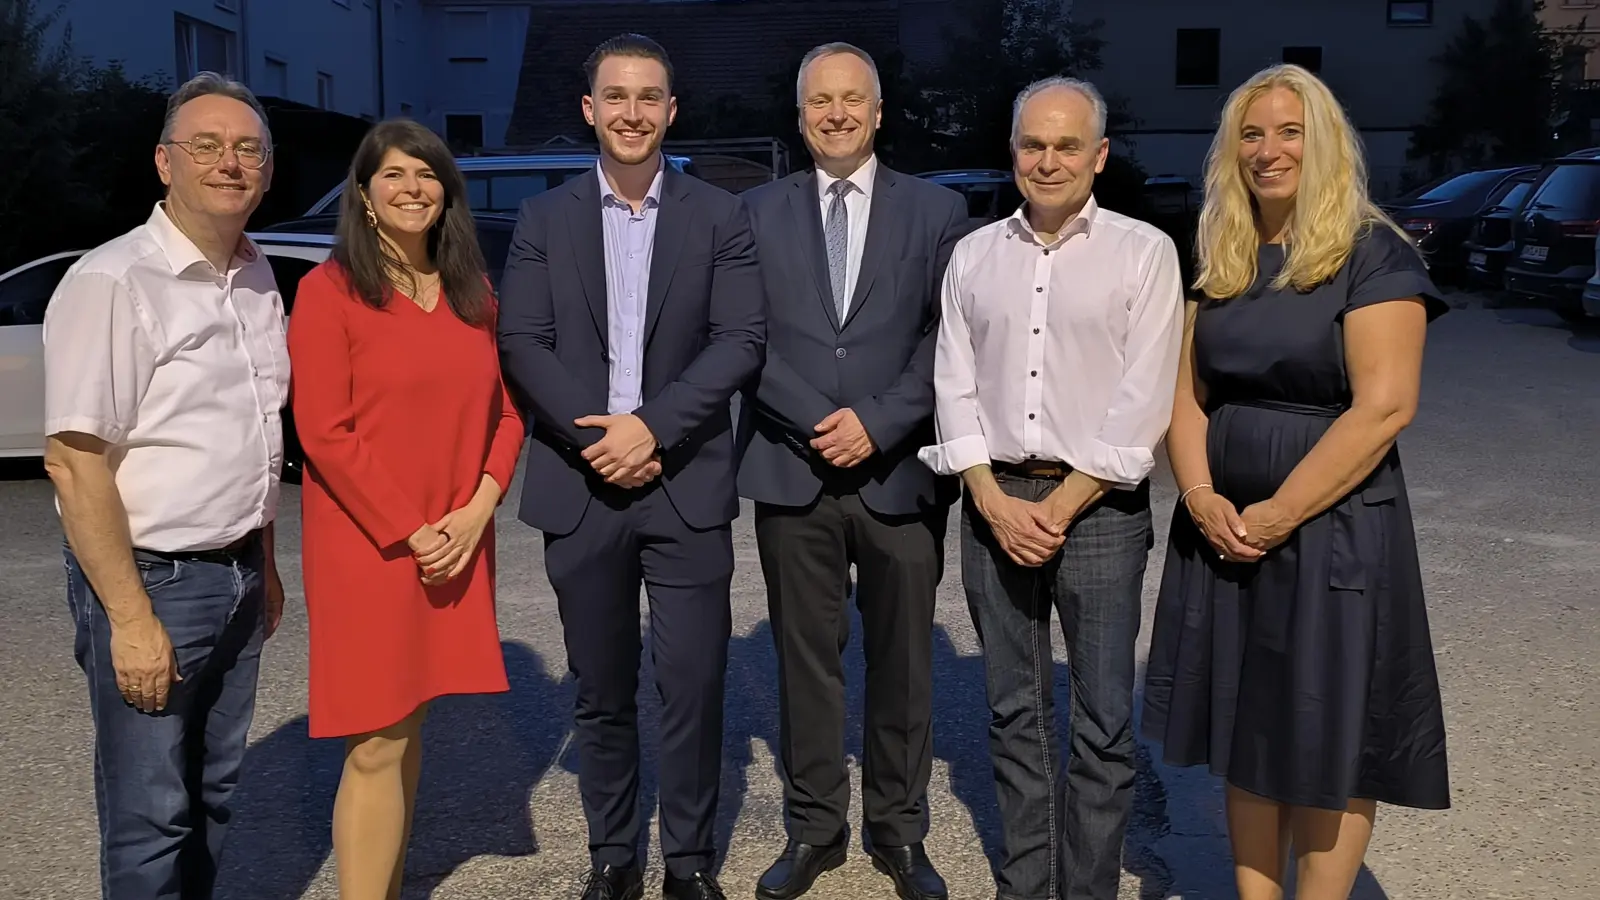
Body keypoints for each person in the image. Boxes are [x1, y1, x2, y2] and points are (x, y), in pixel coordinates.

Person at [1140, 63, 1451, 900]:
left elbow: (1385, 407)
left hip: (1334, 526)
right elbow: (1186, 396)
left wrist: (1279, 510)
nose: (1268, 150)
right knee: (1248, 721)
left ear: (1325, 145)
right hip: (1223, 529)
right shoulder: (1223, 254)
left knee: (1331, 731)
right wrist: (1201, 495)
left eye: (1289, 131)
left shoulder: (1371, 251)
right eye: (1251, 133)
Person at [496, 33, 765, 900]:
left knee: (693, 685)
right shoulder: (543, 219)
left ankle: (688, 862)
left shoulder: (721, 215)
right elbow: (524, 344)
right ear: (589, 109)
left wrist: (648, 431)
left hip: (684, 485)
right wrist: (598, 441)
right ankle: (613, 855)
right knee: (602, 690)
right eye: (616, 96)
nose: (633, 113)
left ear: (672, 109)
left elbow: (738, 342)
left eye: (650, 97)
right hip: (582, 491)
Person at [918, 76, 1184, 900]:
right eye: (1033, 143)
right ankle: (1026, 886)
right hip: (992, 500)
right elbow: (951, 383)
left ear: (1099, 156)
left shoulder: (1145, 253)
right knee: (1014, 714)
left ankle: (1089, 888)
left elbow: (1142, 401)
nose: (1048, 159)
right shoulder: (974, 254)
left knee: (1103, 725)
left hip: (1100, 514)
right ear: (1013, 151)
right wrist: (992, 500)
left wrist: (1058, 506)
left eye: (1068, 144)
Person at [40, 72, 288, 900]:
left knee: (214, 794)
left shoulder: (255, 278)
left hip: (240, 572)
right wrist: (131, 619)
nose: (230, 163)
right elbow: (76, 463)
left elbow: (257, 434)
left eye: (248, 148)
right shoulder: (115, 282)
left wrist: (269, 559)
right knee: (152, 817)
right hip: (153, 582)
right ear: (163, 162)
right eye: (206, 146)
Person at [735, 41, 968, 900]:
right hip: (791, 468)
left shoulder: (940, 212)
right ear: (800, 116)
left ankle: (900, 833)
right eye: (819, 101)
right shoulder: (752, 212)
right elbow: (739, 336)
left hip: (899, 470)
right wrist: (811, 421)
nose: (836, 114)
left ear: (878, 111)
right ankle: (815, 830)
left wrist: (878, 422)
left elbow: (950, 336)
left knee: (904, 664)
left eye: (851, 100)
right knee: (805, 663)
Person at [285, 118, 525, 899]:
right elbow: (324, 433)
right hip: (372, 548)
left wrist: (479, 509)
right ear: (363, 193)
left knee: (411, 722)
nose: (412, 188)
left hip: (457, 536)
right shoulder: (330, 292)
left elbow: (508, 414)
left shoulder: (471, 293)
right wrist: (415, 529)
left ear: (447, 193)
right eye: (393, 175)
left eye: (426, 175)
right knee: (376, 740)